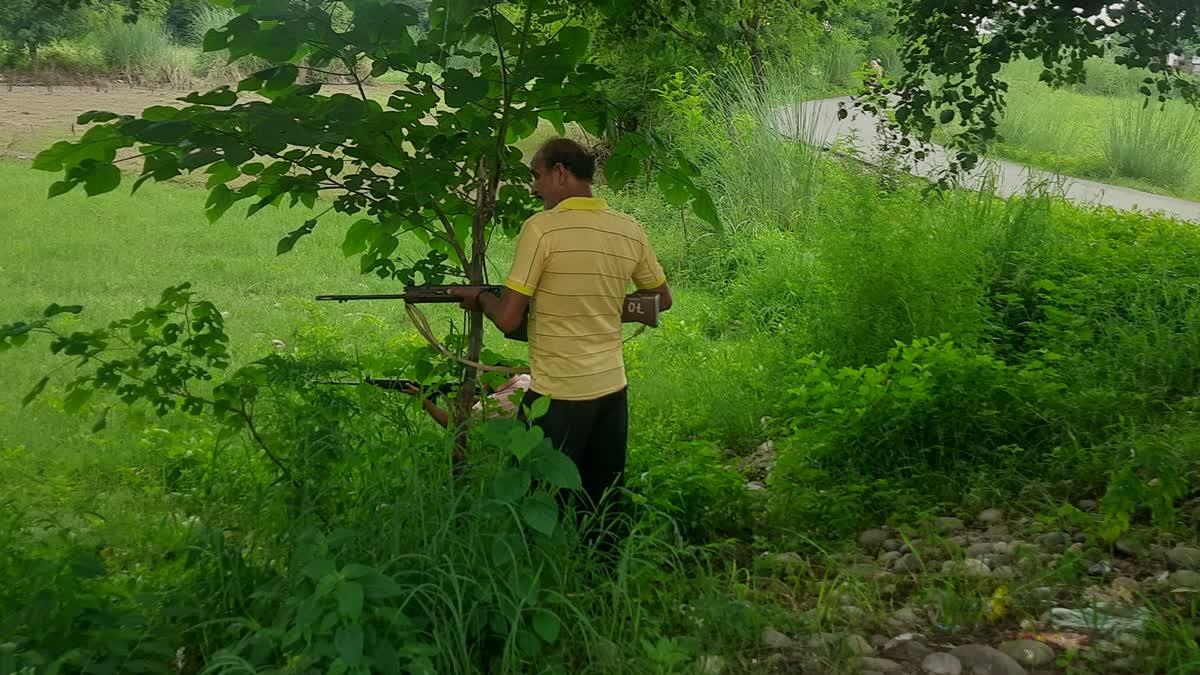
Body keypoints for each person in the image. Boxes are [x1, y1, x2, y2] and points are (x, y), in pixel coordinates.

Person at [451, 138, 673, 528]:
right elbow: (661, 299)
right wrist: (600, 303)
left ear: (560, 172)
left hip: (557, 395)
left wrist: (480, 297)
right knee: (601, 502)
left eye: (536, 176)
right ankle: (599, 577)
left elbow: (507, 318)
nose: (534, 188)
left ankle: (543, 573)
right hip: (612, 392)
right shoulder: (628, 228)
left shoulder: (541, 229)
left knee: (537, 501)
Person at [402, 373, 531, 428]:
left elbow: (454, 425)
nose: (480, 380)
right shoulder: (525, 379)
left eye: (483, 376)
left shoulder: (495, 404)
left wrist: (424, 400)